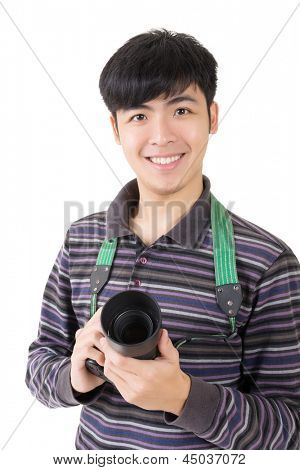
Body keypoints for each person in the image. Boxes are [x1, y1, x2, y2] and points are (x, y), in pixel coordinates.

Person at [25, 28, 300, 450]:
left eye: (182, 110)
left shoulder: (265, 261)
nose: (161, 135)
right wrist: (74, 377)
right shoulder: (81, 241)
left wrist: (184, 397)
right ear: (115, 128)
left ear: (212, 116)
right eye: (138, 115)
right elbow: (40, 365)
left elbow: (292, 429)